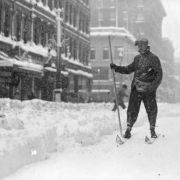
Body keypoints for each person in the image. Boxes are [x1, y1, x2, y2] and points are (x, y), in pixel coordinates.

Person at [110, 38, 163, 139]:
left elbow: (159, 75)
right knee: (132, 110)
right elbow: (128, 69)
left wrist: (152, 87)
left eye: (140, 45)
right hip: (136, 89)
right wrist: (116, 68)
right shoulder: (137, 58)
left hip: (148, 90)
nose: (139, 47)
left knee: (151, 109)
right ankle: (128, 130)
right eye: (138, 45)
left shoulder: (154, 58)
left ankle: (152, 130)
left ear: (146, 45)